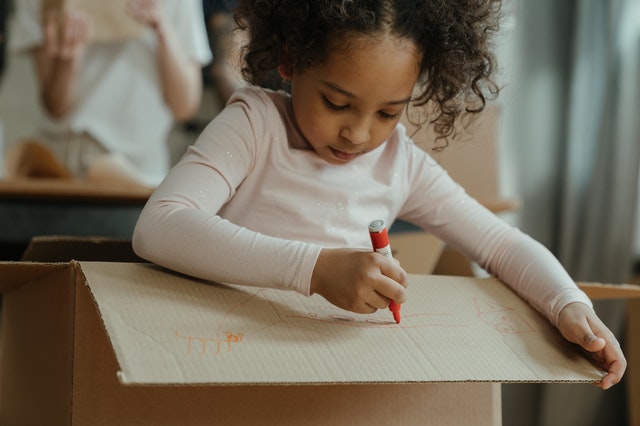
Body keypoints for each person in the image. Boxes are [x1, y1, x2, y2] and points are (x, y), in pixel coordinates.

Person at [132, 0, 626, 389]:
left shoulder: (399, 164)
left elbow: (500, 244)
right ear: (290, 60)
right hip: (228, 364)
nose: (359, 134)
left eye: (389, 113)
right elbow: (160, 226)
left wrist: (567, 304)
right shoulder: (255, 125)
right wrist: (315, 269)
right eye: (337, 102)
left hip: (343, 380)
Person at [7, 0, 212, 186]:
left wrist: (162, 29)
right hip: (59, 164)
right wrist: (67, 61)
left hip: (138, 169)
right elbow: (55, 106)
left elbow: (185, 107)